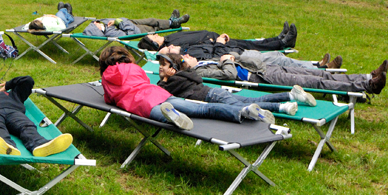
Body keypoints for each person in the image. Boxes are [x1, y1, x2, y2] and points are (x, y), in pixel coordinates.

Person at [97, 45, 277, 130]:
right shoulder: (135, 68)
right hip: (157, 93)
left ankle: (171, 116)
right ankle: (244, 112)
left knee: (159, 113)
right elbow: (143, 82)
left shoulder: (107, 77)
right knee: (203, 109)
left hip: (140, 103)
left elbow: (110, 98)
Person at [156, 53, 313, 116]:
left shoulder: (176, 80)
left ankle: (282, 107)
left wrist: (166, 80)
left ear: (173, 69)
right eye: (160, 64)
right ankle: (291, 95)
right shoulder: (181, 77)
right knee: (250, 101)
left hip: (212, 96)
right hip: (215, 93)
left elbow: (163, 94)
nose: (160, 67)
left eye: (164, 65)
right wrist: (165, 80)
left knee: (245, 107)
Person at [178, 50, 388, 95]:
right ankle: (368, 86)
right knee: (315, 83)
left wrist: (229, 56)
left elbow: (231, 55)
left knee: (320, 75)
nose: (187, 55)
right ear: (185, 65)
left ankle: (368, 77)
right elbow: (229, 75)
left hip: (266, 68)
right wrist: (227, 61)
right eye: (184, 58)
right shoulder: (202, 71)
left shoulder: (206, 61)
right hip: (262, 77)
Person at [138, 23, 297, 61]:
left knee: (247, 42)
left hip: (213, 39)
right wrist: (214, 40)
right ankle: (282, 43)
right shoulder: (172, 48)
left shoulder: (169, 39)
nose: (156, 35)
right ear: (155, 45)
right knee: (249, 45)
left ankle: (278, 39)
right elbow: (195, 45)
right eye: (154, 38)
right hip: (214, 43)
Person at [82, 10, 190, 38]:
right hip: (135, 30)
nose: (97, 22)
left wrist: (119, 21)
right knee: (152, 28)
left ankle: (172, 21)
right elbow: (129, 33)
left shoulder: (105, 22)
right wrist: (118, 22)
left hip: (131, 22)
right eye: (95, 23)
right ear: (96, 29)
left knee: (152, 20)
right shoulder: (110, 33)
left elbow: (122, 19)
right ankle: (173, 22)